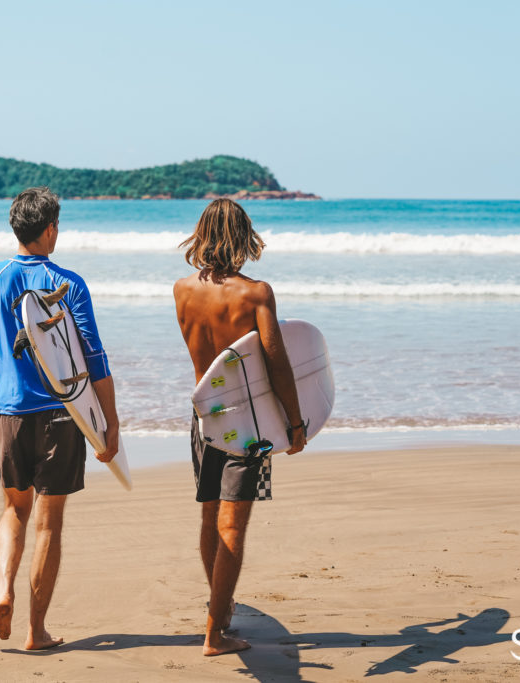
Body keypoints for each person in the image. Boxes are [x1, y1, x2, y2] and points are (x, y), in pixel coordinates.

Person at [0, 186, 120, 650]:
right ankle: (35, 631)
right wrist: (107, 423)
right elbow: (94, 357)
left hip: (8, 414)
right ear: (50, 228)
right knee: (49, 521)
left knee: (14, 510)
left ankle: (1, 590)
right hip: (62, 416)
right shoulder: (68, 282)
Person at [173, 198, 307, 656]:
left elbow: (210, 359)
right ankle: (215, 632)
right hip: (246, 424)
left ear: (202, 234)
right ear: (243, 236)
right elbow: (277, 363)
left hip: (203, 416)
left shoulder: (182, 290)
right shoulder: (256, 293)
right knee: (233, 525)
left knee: (211, 515)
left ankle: (222, 612)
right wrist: (294, 421)